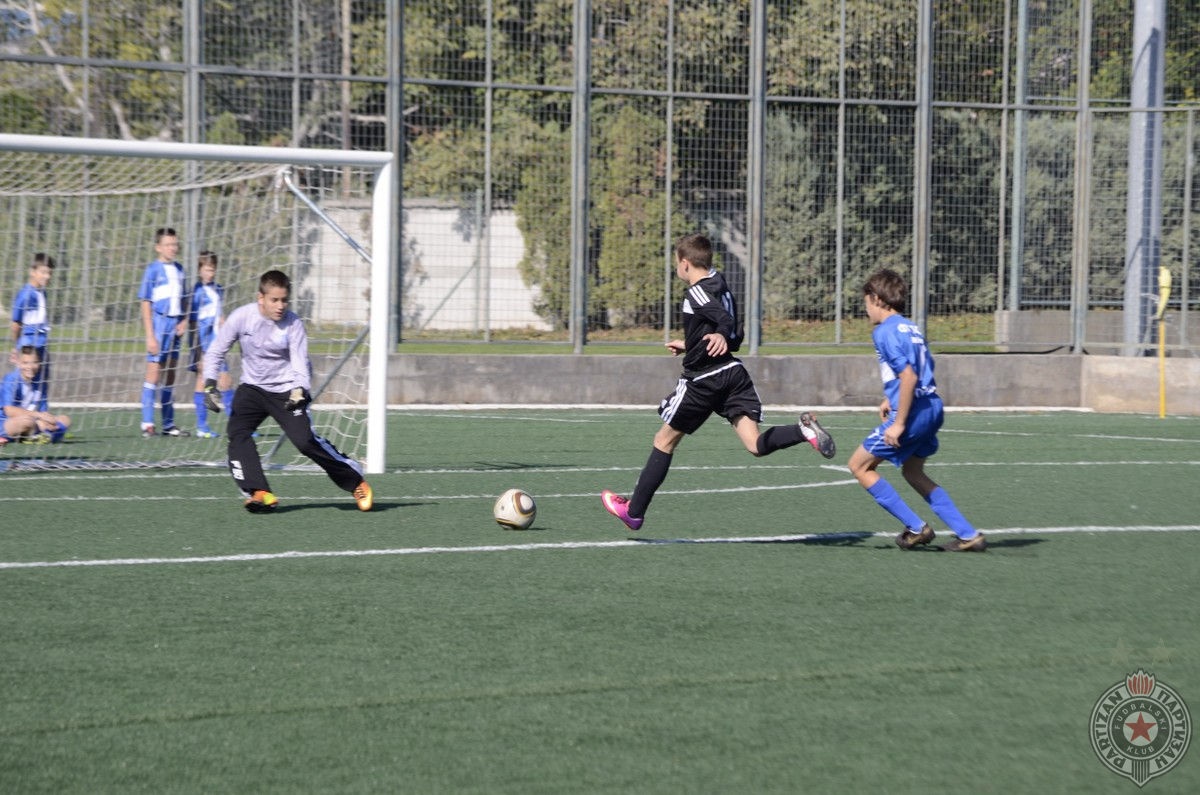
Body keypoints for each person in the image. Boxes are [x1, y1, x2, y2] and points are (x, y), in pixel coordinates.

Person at [601, 233, 835, 531]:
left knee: (664, 440)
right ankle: (803, 431)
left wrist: (719, 334)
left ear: (685, 263)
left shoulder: (696, 292)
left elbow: (723, 322)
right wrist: (692, 344)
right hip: (732, 373)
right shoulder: (721, 284)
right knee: (754, 444)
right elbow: (731, 334)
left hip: (704, 380)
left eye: (676, 263)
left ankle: (633, 512)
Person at [201, 269, 373, 513]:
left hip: (287, 390)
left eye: (284, 300)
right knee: (237, 434)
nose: (280, 306)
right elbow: (216, 351)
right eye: (274, 300)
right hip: (252, 388)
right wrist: (209, 383)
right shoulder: (242, 317)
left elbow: (300, 364)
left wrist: (299, 391)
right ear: (260, 298)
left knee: (304, 442)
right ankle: (259, 492)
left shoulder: (293, 324)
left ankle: (355, 480)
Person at [846, 268, 986, 552]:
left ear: (876, 298)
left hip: (912, 414)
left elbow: (908, 375)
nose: (866, 309)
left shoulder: (883, 331)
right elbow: (921, 368)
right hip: (932, 405)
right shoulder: (912, 327)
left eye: (866, 302)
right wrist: (890, 397)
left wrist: (898, 422)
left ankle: (916, 528)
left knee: (859, 466)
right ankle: (968, 534)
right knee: (913, 471)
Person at [138, 227, 191, 437]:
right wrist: (150, 336)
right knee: (154, 373)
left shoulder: (179, 269)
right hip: (159, 325)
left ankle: (168, 424)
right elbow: (145, 302)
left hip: (175, 327)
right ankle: (147, 423)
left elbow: (184, 299)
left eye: (175, 244)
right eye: (168, 244)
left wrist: (184, 320)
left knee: (170, 375)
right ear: (158, 247)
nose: (172, 248)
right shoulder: (152, 270)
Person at [188, 250, 234, 437]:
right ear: (199, 270)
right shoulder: (196, 292)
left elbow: (219, 315)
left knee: (224, 381)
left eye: (213, 269)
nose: (210, 273)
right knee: (206, 380)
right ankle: (203, 427)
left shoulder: (218, 289)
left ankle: (234, 425)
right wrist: (197, 350)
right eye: (207, 269)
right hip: (203, 344)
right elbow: (193, 322)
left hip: (217, 343)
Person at [0, 346, 70, 445]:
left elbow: (43, 411)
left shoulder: (40, 382)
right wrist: (39, 417)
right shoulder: (11, 380)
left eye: (35, 362)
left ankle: (38, 436)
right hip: (6, 422)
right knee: (27, 422)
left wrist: (47, 422)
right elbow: (9, 410)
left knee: (65, 420)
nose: (30, 367)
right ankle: (44, 435)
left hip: (33, 421)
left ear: (39, 363)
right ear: (19, 363)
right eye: (25, 363)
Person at [10, 253, 54, 398]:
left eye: (50, 273)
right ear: (32, 271)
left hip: (41, 345)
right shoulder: (25, 294)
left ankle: (40, 409)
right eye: (43, 272)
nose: (47, 276)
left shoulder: (42, 292)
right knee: (23, 383)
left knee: (41, 384)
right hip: (28, 345)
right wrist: (17, 347)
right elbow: (16, 324)